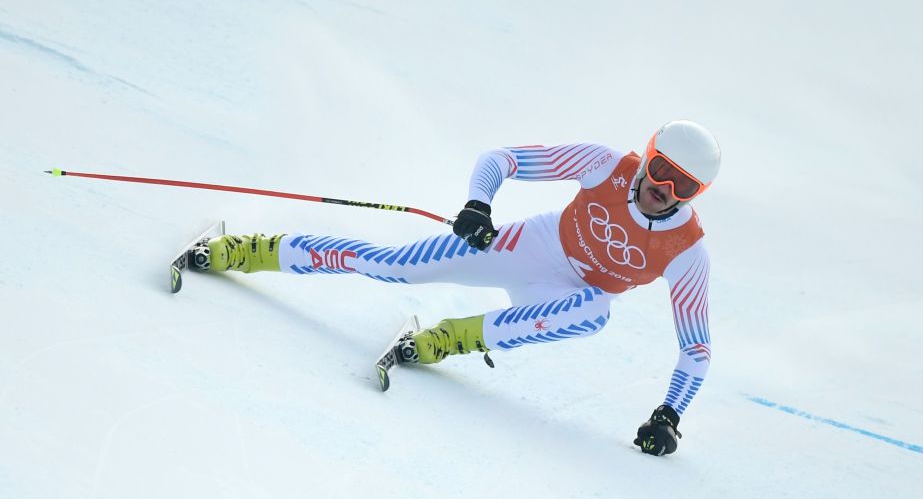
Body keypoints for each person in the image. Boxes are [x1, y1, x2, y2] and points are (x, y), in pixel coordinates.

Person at [192, 120, 720, 456]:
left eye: (684, 186)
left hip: (564, 295)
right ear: (646, 155)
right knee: (391, 266)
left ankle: (443, 340)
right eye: (659, 170)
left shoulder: (686, 249)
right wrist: (479, 205)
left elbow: (696, 346)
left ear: (698, 194)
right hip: (526, 247)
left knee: (593, 314)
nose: (662, 190)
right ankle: (244, 249)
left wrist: (669, 414)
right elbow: (502, 160)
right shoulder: (603, 163)